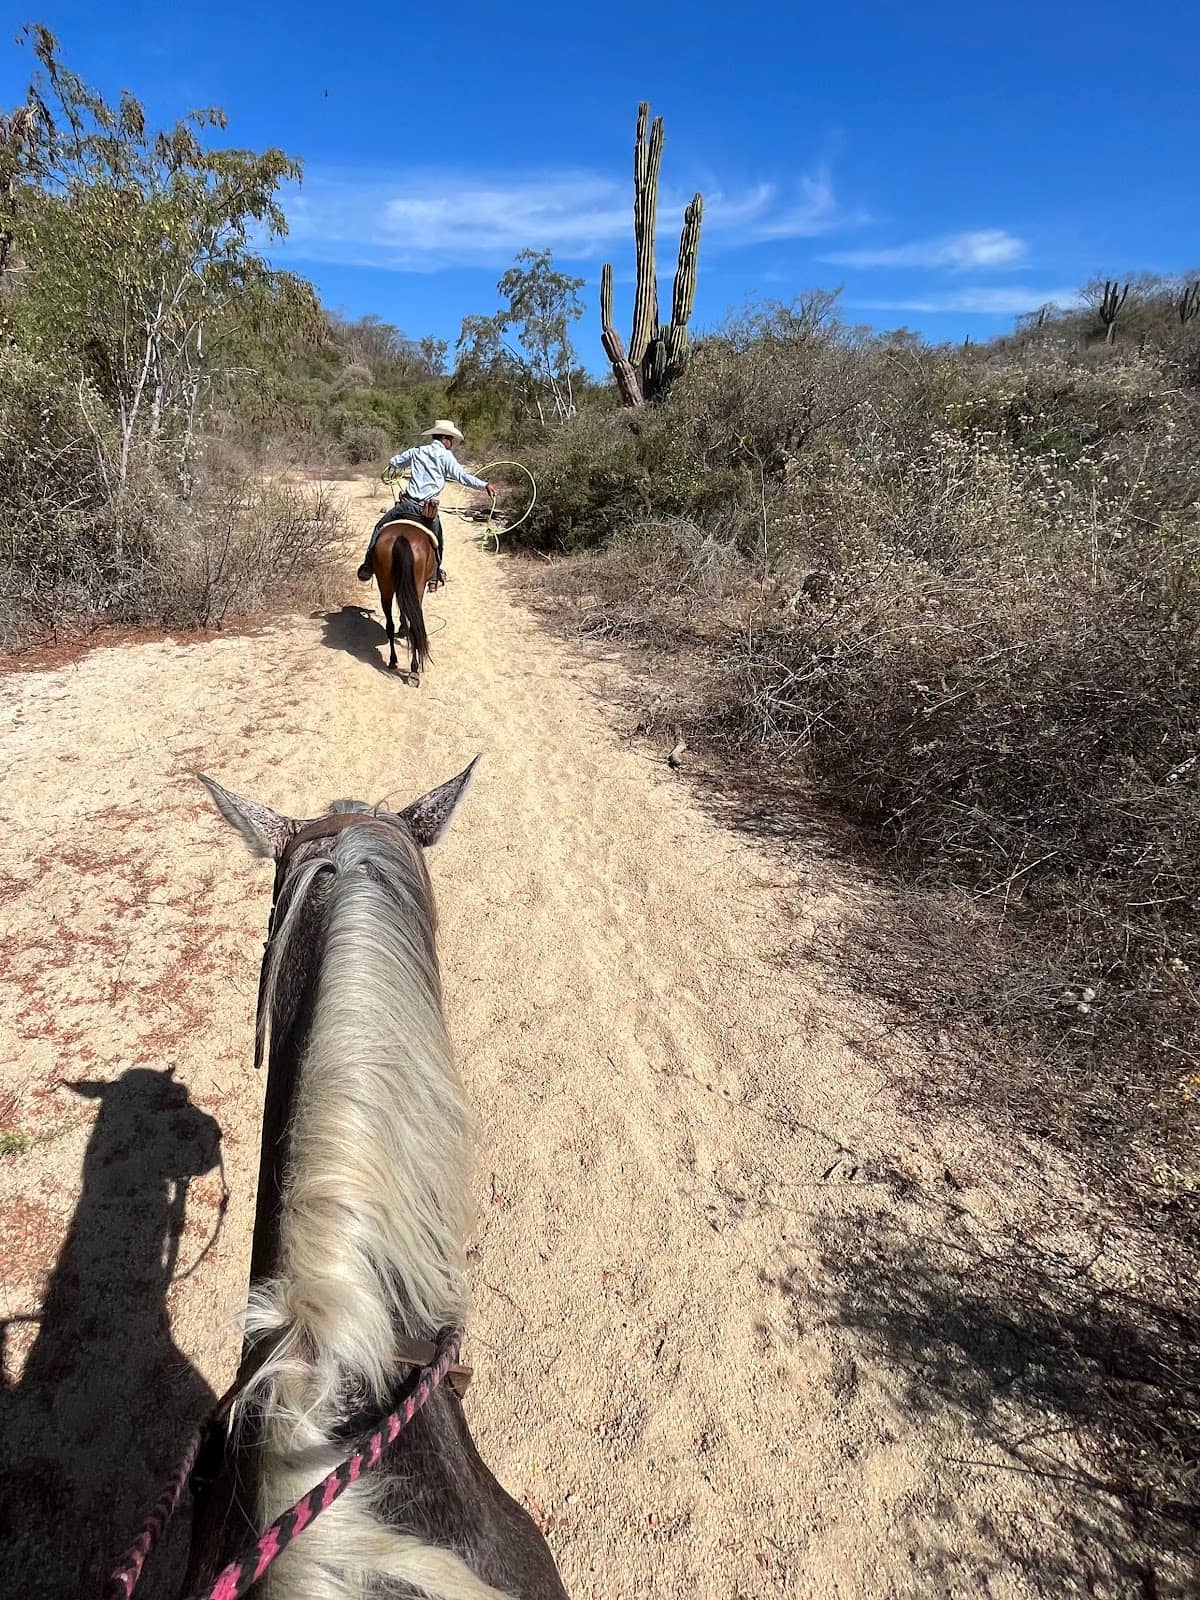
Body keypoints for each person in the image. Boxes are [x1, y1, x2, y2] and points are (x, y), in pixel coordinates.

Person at [357, 420, 494, 588]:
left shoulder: (417, 451)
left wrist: (404, 463)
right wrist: (484, 485)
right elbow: (463, 477)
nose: (451, 443)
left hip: (406, 505)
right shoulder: (446, 456)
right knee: (438, 542)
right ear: (445, 438)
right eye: (451, 439)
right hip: (427, 510)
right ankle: (434, 577)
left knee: (379, 527)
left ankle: (368, 565)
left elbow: (394, 462)